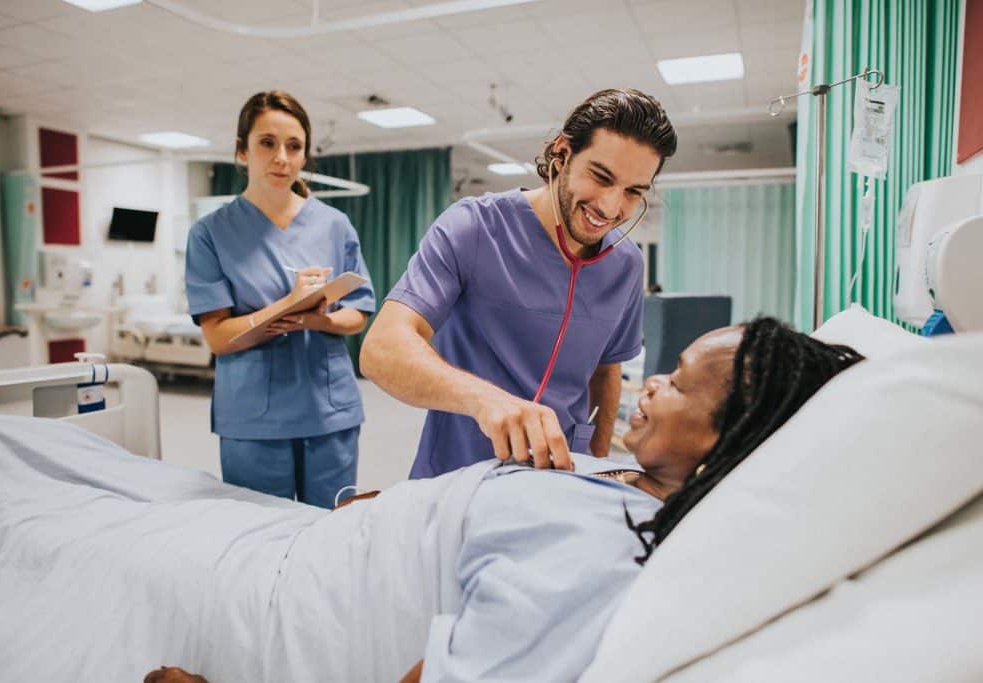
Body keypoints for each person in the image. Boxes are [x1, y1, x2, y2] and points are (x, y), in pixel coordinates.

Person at [142, 318, 864, 682]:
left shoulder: (607, 557)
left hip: (282, 599)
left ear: (727, 436)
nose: (651, 384)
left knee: (110, 525)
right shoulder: (619, 475)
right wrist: (396, 504)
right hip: (315, 541)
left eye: (674, 382)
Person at [360, 88, 678, 478]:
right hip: (459, 469)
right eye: (601, 177)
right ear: (562, 154)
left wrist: (598, 467)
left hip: (560, 474)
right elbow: (381, 350)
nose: (611, 207)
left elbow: (606, 369)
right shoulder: (474, 228)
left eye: (633, 192)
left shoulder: (625, 264)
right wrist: (485, 400)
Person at [185, 90, 376, 508]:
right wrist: (285, 308)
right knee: (259, 537)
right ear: (242, 151)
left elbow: (358, 313)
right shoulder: (210, 234)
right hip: (253, 417)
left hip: (329, 411)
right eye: (267, 144)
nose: (282, 158)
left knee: (332, 529)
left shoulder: (334, 225)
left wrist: (317, 319)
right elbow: (217, 337)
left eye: (294, 146)